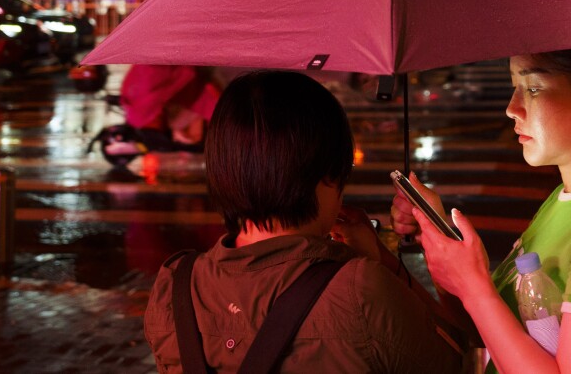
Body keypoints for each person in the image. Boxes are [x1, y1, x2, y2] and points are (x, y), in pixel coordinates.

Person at [393, 40, 571, 374]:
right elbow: (492, 339)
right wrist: (442, 249)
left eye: (532, 87)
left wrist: (475, 288)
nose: (512, 107)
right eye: (514, 86)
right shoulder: (565, 200)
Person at [143, 70, 465, 373]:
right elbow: (459, 355)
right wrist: (388, 260)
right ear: (327, 174)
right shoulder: (360, 289)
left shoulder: (174, 286)